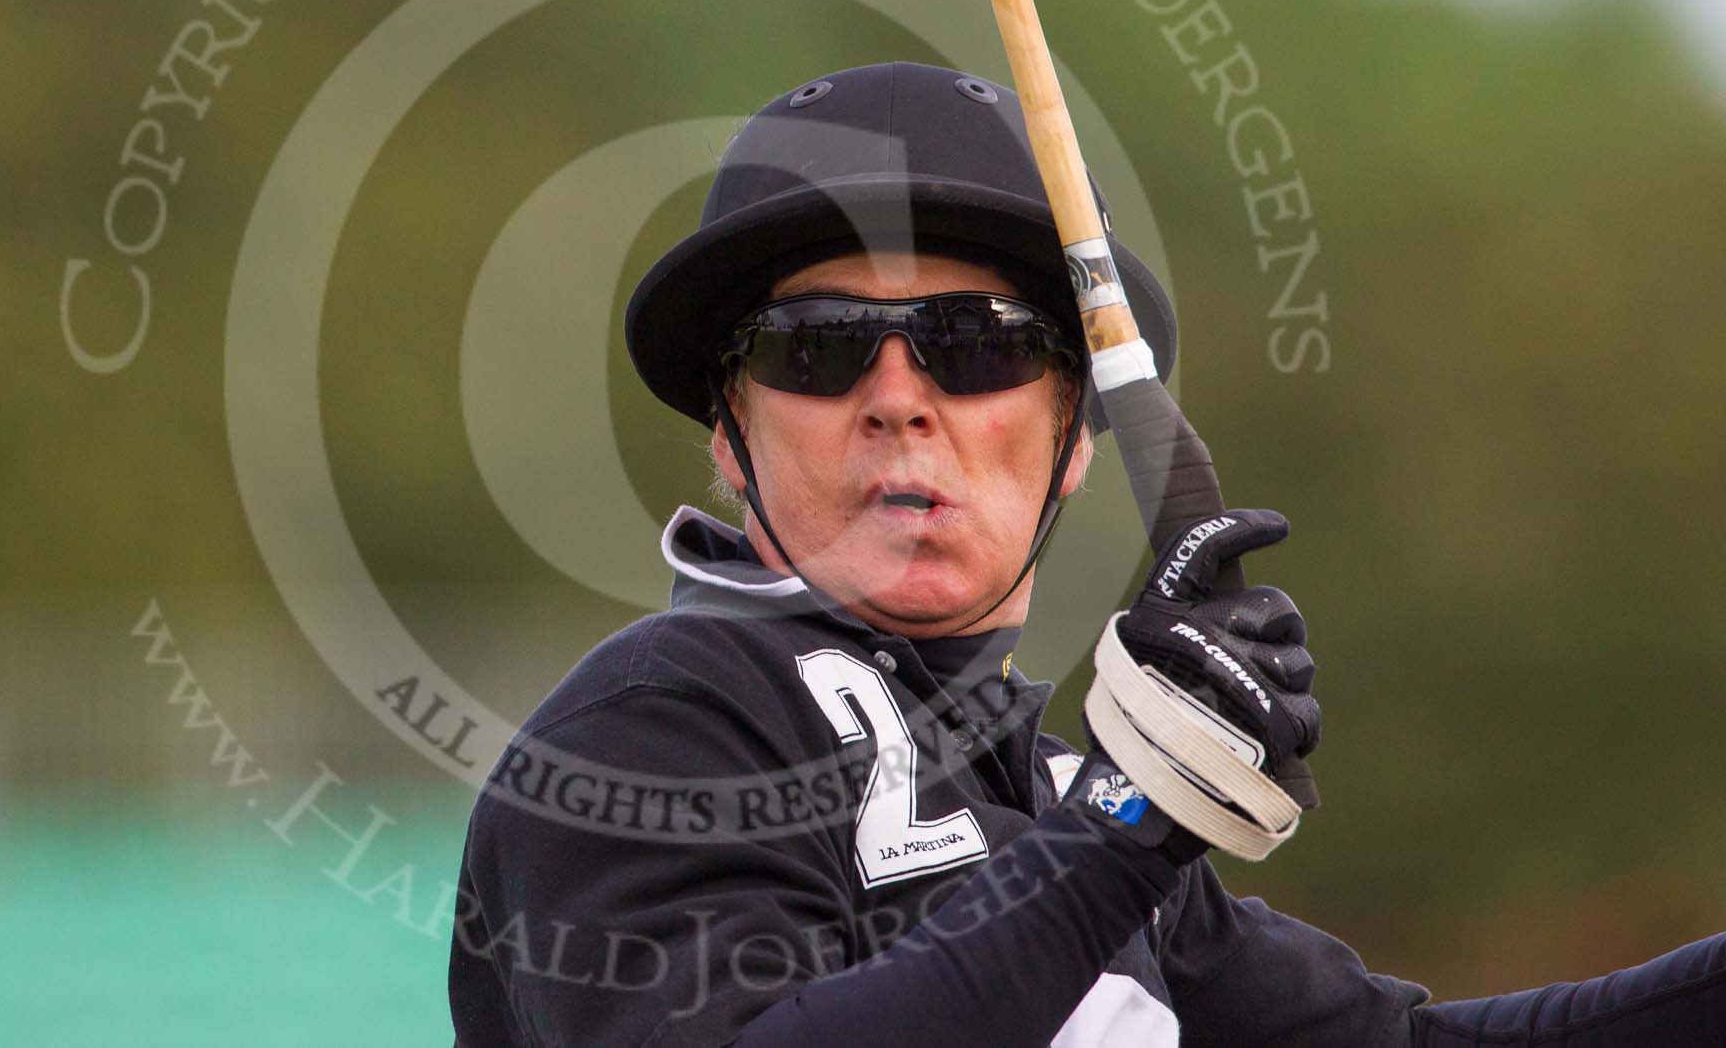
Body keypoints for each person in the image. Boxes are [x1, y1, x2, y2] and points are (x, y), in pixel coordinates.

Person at [447, 61, 1726, 1046]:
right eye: (817, 347)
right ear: (730, 438)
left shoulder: (1063, 803)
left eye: (977, 345)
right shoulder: (647, 727)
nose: (897, 399)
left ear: (1071, 441)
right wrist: (1129, 821)